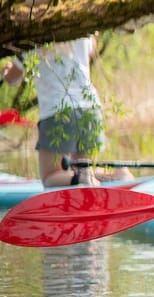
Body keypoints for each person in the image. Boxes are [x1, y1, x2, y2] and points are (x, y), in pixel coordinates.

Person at [2, 36, 130, 186]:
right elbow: (92, 47)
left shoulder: (31, 41)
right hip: (89, 108)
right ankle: (117, 174)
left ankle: (82, 178)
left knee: (50, 177)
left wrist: (6, 70)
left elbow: (12, 79)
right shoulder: (82, 36)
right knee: (82, 168)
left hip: (57, 112)